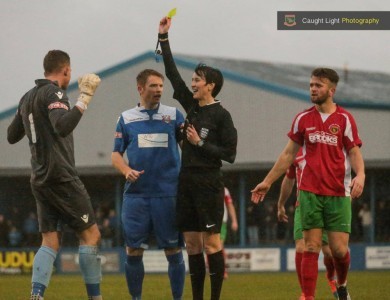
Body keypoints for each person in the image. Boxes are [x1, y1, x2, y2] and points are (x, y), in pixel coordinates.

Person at [251, 68, 365, 300]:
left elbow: (353, 151)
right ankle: (308, 297)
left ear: (331, 90)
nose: (313, 89)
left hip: (338, 193)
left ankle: (341, 285)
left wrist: (360, 174)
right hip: (309, 193)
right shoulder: (302, 119)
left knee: (339, 251)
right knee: (310, 247)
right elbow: (287, 155)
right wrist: (267, 181)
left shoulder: (344, 119)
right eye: (311, 84)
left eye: (318, 85)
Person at [7, 50, 103, 300]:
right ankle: (96, 298)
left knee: (50, 242)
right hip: (61, 175)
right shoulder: (55, 92)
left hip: (39, 178)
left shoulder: (27, 97)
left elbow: (11, 135)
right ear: (66, 70)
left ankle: (36, 296)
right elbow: (62, 126)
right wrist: (84, 99)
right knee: (91, 235)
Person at [158, 17, 238, 300]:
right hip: (186, 182)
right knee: (191, 245)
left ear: (211, 86)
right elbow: (171, 73)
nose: (192, 83)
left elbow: (230, 155)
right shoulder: (191, 105)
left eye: (197, 80)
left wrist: (199, 142)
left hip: (208, 183)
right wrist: (164, 38)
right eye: (192, 79)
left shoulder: (222, 116)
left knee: (212, 244)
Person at [111, 69, 186, 300]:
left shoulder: (174, 115)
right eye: (153, 86)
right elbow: (115, 155)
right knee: (133, 250)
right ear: (140, 88)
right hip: (137, 196)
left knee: (173, 250)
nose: (159, 90)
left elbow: (189, 150)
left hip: (168, 194)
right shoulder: (126, 118)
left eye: (161, 86)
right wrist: (126, 170)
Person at [277, 149, 338, 299]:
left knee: (329, 252)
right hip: (303, 205)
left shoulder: (326, 147)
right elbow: (289, 178)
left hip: (326, 203)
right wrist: (281, 204)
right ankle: (306, 293)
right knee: (301, 246)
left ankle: (331, 277)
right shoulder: (295, 151)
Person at [220, 187, 238, 279]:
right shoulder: (204, 187)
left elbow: (230, 205)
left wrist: (234, 221)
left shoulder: (224, 190)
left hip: (221, 222)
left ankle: (222, 271)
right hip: (208, 221)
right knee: (210, 247)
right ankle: (216, 270)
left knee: (218, 246)